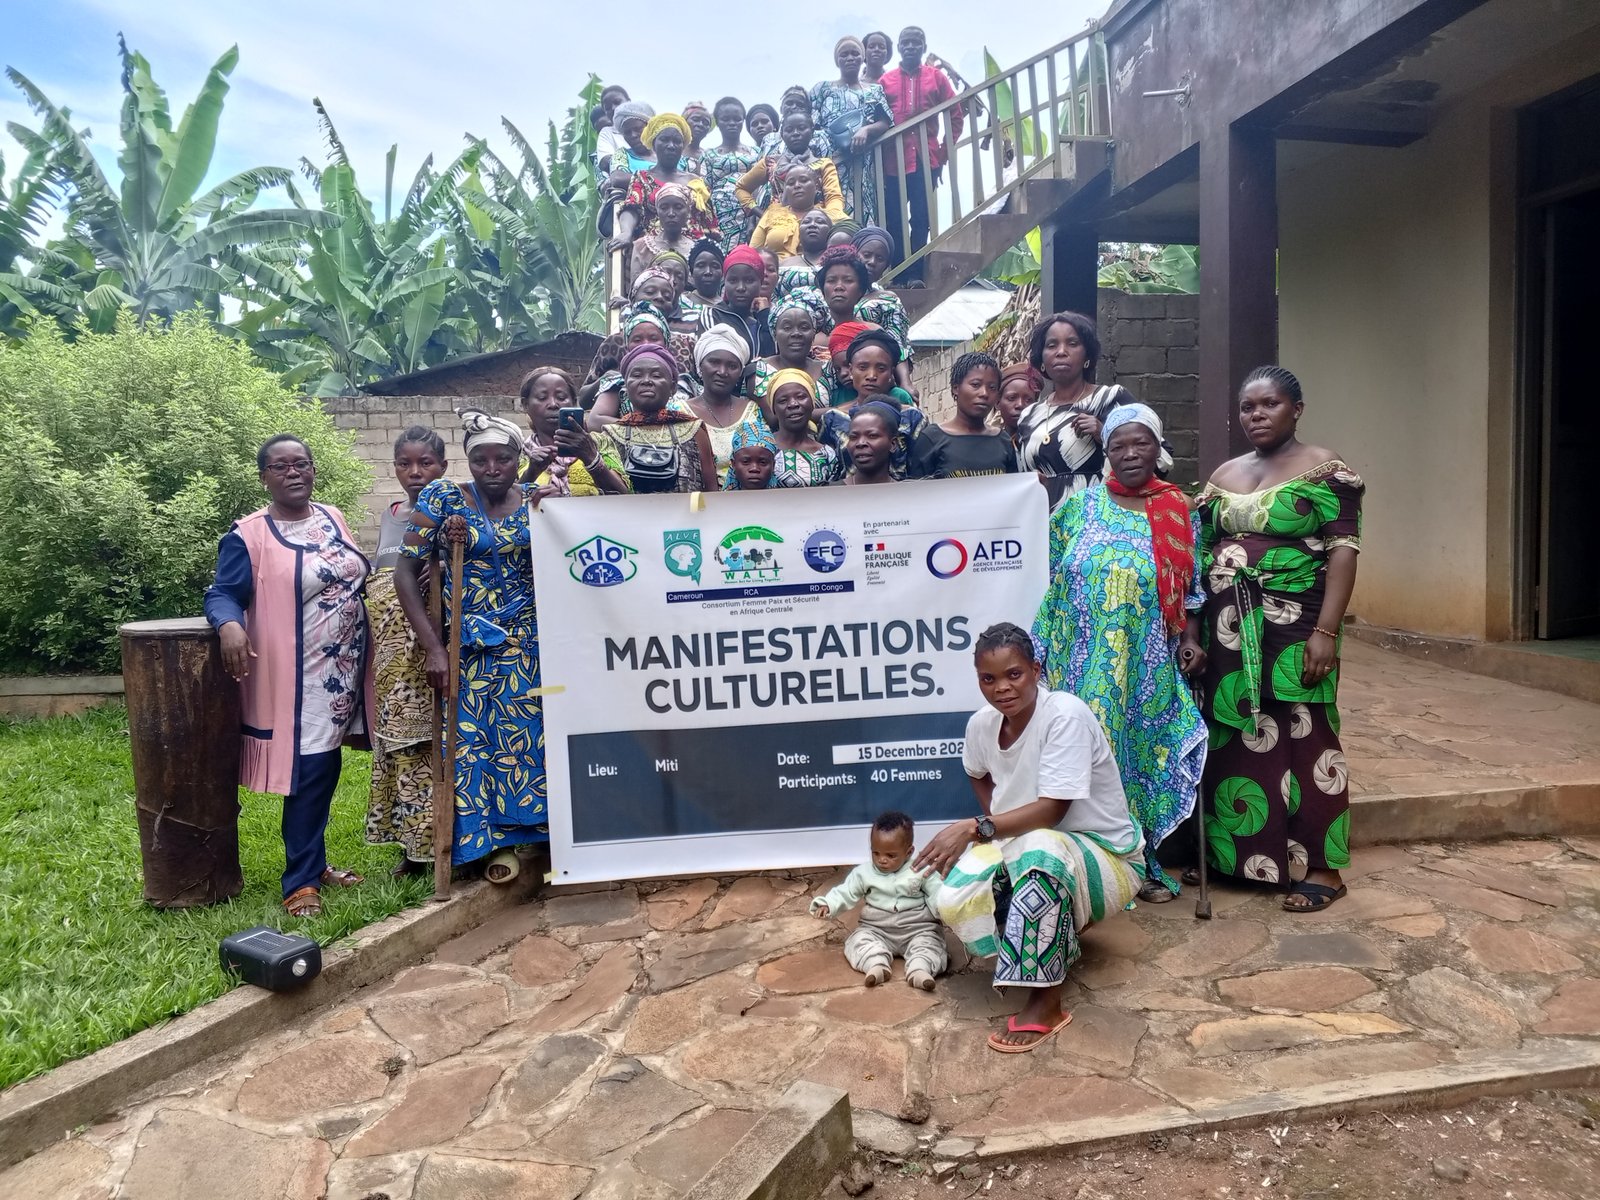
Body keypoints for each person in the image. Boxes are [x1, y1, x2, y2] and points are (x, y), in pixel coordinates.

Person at [1184, 367, 1364, 911]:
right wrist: (1192, 630)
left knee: (1307, 736)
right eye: (1247, 407)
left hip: (1295, 626)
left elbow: (1343, 553)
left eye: (1269, 405)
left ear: (1297, 409)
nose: (1256, 416)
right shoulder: (1223, 473)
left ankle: (1324, 869)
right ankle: (1238, 856)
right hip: (1226, 628)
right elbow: (1197, 555)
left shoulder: (1326, 472)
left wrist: (1326, 633)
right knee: (1235, 734)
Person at [920, 623, 1145, 1052]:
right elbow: (977, 773)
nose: (1001, 687)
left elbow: (1052, 811)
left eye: (1013, 674)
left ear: (1036, 670)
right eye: (989, 678)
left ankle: (1046, 1000)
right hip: (1029, 848)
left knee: (1040, 846)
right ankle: (1057, 931)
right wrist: (994, 823)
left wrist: (978, 828)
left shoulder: (1064, 714)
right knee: (952, 899)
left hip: (1105, 857)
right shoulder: (982, 726)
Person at [1033, 404, 1205, 901]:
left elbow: (1192, 590)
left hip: (1145, 665)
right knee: (1078, 758)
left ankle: (1139, 864)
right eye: (1118, 446)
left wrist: (1191, 639)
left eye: (1140, 443)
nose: (1130, 454)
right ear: (1105, 453)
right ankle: (1079, 867)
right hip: (1079, 662)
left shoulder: (1178, 511)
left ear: (1158, 447)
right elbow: (1042, 575)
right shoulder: (1078, 508)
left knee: (1135, 760)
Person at [205, 435, 372, 919]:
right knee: (310, 772)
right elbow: (223, 592)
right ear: (264, 477)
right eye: (280, 467)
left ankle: (315, 864)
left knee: (325, 767)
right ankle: (299, 882)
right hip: (299, 678)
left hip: (345, 670)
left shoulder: (331, 517)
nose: (293, 472)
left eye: (301, 463)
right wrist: (230, 625)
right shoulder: (249, 535)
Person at [394, 411, 550, 884]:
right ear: (468, 461)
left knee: (528, 744)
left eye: (503, 458)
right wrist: (434, 650)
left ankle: (532, 840)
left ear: (517, 459)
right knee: (472, 746)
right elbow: (405, 572)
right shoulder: (445, 498)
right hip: (468, 646)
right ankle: (481, 844)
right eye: (480, 460)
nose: (492, 468)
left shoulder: (536, 502)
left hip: (528, 645)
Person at [365, 427, 448, 876]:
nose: (414, 473)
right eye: (404, 464)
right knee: (400, 746)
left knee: (437, 742)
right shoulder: (392, 515)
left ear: (443, 466)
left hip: (431, 645)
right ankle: (412, 845)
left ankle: (445, 838)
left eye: (425, 463)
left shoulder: (453, 510)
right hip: (392, 656)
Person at [1016, 311, 1168, 510]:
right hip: (1044, 522)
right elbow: (1020, 479)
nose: (1061, 351)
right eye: (1052, 345)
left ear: (1087, 355)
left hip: (1099, 520)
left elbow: (1163, 459)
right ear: (1042, 359)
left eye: (1072, 343)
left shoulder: (1110, 399)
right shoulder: (1028, 416)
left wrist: (1103, 433)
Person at [811, 811, 947, 990]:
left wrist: (945, 907)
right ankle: (876, 965)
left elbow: (938, 892)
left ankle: (920, 970)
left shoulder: (922, 869)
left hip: (918, 928)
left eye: (891, 856)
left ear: (909, 852)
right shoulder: (864, 873)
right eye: (876, 853)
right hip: (877, 929)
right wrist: (828, 904)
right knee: (859, 941)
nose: (882, 860)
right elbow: (846, 891)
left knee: (930, 945)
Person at [879, 27, 964, 283]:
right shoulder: (887, 81)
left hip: (927, 160)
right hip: (892, 161)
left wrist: (943, 152)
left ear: (924, 46)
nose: (911, 46)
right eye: (906, 42)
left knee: (921, 218)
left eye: (916, 42)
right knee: (894, 219)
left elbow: (955, 115)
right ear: (899, 46)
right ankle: (899, 272)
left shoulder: (936, 77)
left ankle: (916, 273)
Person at [601, 343, 719, 494]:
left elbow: (712, 492)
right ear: (625, 386)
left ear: (673, 387)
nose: (646, 381)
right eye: (636, 375)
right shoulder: (609, 435)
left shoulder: (694, 431)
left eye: (656, 375)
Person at [812, 37, 894, 225]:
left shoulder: (874, 90)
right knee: (827, 213)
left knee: (862, 211)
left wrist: (866, 130)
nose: (850, 58)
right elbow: (811, 124)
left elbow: (886, 122)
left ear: (862, 57)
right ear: (837, 60)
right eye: (844, 54)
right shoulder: (822, 89)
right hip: (830, 162)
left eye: (855, 53)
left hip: (862, 162)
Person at [822, 327, 923, 478]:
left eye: (881, 368)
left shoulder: (911, 417)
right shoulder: (833, 419)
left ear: (891, 372)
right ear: (851, 370)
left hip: (902, 498)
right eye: (862, 367)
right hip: (848, 498)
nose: (871, 375)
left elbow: (921, 470)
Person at [612, 115, 718, 253]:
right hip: (653, 250)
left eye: (677, 141)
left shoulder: (696, 182)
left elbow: (710, 224)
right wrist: (626, 233)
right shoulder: (642, 178)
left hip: (694, 253)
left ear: (683, 146)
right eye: (664, 140)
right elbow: (631, 208)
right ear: (653, 144)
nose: (671, 146)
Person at [520, 367, 631, 496]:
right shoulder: (519, 453)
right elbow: (504, 505)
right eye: (542, 397)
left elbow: (625, 496)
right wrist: (531, 472)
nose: (553, 404)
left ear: (573, 402)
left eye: (561, 397)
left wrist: (590, 457)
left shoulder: (599, 442)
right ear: (525, 404)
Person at [817, 244, 912, 392]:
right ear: (822, 289)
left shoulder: (874, 332)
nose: (839, 287)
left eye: (848, 280)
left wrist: (906, 384)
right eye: (831, 281)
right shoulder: (813, 337)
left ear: (861, 290)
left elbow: (896, 362)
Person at [908, 352, 1017, 478]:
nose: (984, 393)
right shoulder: (931, 439)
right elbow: (917, 493)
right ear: (956, 388)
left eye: (992, 387)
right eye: (975, 385)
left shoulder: (1003, 440)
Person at [737, 112, 847, 222]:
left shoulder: (824, 164)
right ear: (782, 134)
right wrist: (762, 214)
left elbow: (834, 197)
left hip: (814, 226)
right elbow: (741, 188)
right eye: (789, 130)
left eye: (801, 128)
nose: (795, 133)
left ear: (812, 131)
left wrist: (828, 220)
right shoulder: (770, 162)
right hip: (777, 225)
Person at [688, 326, 762, 479]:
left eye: (732, 366)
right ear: (700, 366)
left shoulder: (752, 411)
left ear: (740, 373)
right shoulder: (680, 411)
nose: (722, 372)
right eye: (714, 362)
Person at [751, 295, 831, 412]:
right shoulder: (759, 370)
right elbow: (775, 418)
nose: (796, 333)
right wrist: (836, 410)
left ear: (813, 334)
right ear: (775, 334)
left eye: (804, 327)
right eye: (787, 328)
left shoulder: (827, 370)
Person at [766, 369, 843, 487]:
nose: (793, 404)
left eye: (801, 397)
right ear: (774, 409)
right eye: (783, 400)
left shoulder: (827, 455)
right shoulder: (763, 449)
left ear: (812, 403)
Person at [698, 245, 775, 358]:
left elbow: (773, 356)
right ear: (725, 282)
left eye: (749, 280)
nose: (740, 287)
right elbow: (714, 358)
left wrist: (764, 316)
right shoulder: (712, 315)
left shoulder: (767, 318)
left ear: (761, 282)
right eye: (733, 280)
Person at [704, 99, 760, 251]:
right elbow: (704, 191)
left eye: (737, 119)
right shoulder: (708, 155)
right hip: (721, 216)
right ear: (718, 121)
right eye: (726, 119)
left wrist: (754, 217)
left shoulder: (756, 152)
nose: (732, 123)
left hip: (752, 212)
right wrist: (710, 224)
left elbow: (762, 185)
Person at [750, 165, 829, 260]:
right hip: (773, 271)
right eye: (791, 183)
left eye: (803, 180)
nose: (797, 186)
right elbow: (753, 254)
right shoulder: (772, 214)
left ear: (816, 185)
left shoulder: (827, 217)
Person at [630, 182, 702, 275]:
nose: (671, 213)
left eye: (678, 207)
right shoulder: (642, 247)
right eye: (664, 208)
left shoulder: (696, 249)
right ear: (657, 212)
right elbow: (636, 286)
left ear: (688, 211)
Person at [835, 401, 900, 485]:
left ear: (893, 444)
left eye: (872, 436)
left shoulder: (908, 495)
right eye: (854, 437)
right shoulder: (828, 493)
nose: (860, 443)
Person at [723, 418, 779, 490]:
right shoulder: (723, 501)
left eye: (763, 462)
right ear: (733, 464)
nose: (754, 468)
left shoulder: (784, 500)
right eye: (745, 462)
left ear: (773, 465)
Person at [602, 100, 655, 174]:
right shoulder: (622, 156)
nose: (633, 135)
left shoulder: (666, 152)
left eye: (637, 129)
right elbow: (617, 178)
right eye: (627, 132)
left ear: (649, 127)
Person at [997, 362, 1041, 444]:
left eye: (1028, 400)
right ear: (997, 402)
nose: (1020, 405)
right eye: (1012, 398)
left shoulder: (1042, 443)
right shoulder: (988, 443)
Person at [681, 238, 726, 320]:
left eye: (715, 266)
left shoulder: (728, 311)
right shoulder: (679, 303)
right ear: (692, 271)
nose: (708, 272)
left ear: (722, 273)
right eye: (701, 266)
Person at [682, 101, 713, 176]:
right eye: (695, 119)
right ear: (684, 122)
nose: (700, 125)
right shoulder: (671, 150)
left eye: (705, 123)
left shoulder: (709, 157)